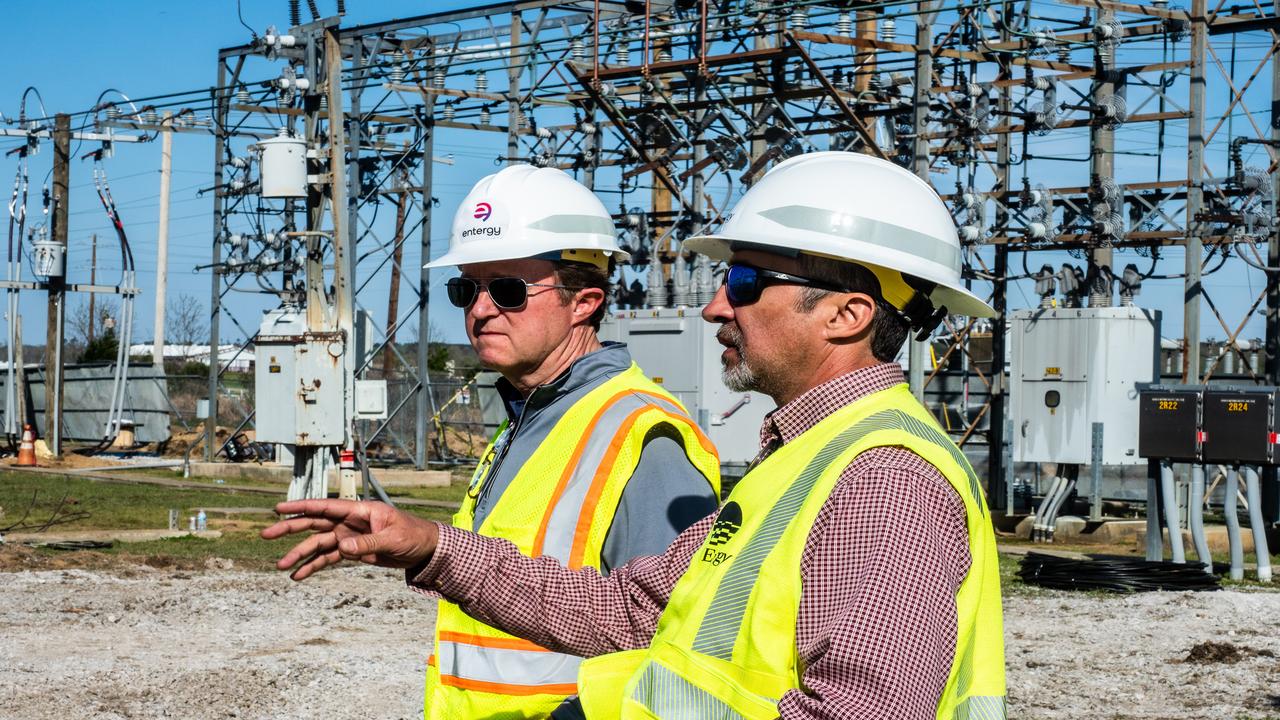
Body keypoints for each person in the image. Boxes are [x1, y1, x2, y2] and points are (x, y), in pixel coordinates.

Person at [264, 151, 1006, 719]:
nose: (716, 306)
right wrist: (431, 547)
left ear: (846, 315)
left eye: (745, 282)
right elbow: (629, 611)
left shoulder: (885, 477)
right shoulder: (804, 461)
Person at [417, 164, 721, 718]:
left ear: (584, 302)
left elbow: (675, 644)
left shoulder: (644, 435)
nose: (480, 310)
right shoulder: (528, 419)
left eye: (507, 290)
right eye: (466, 288)